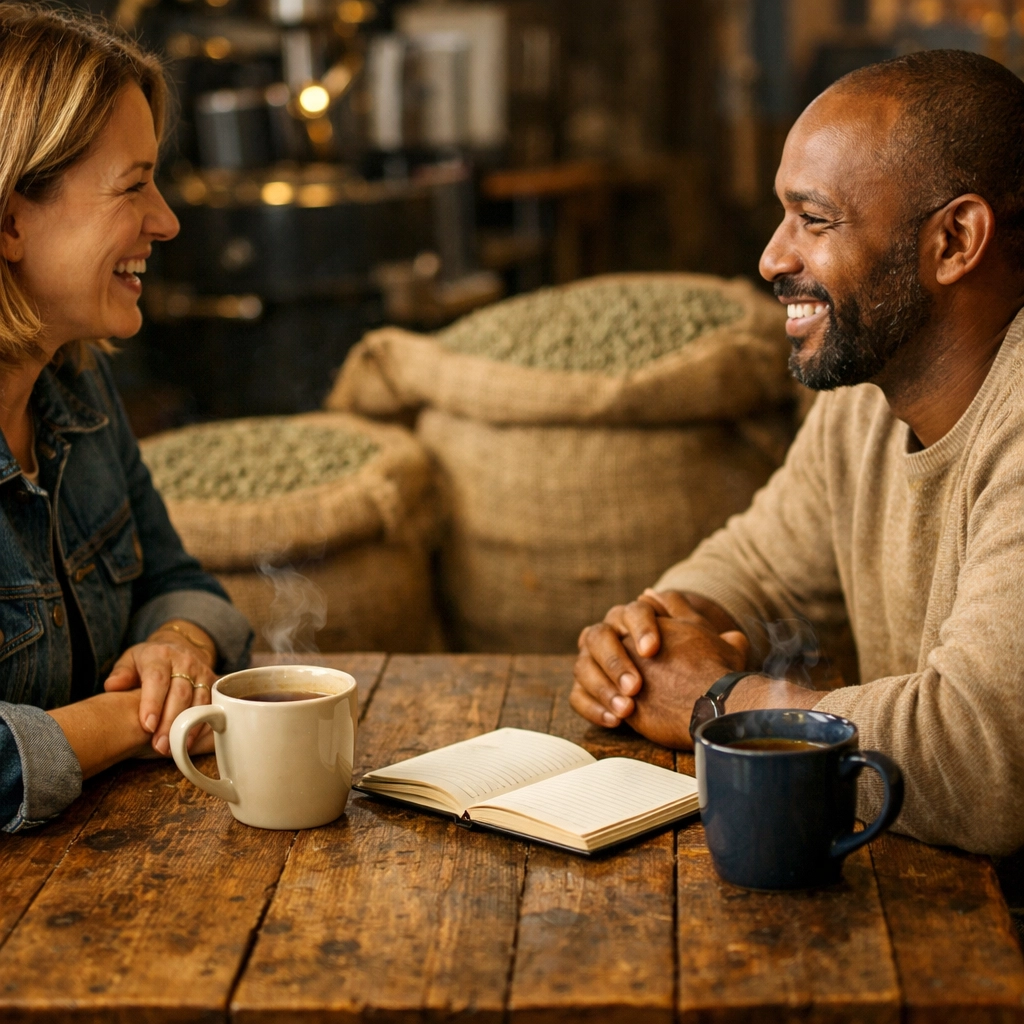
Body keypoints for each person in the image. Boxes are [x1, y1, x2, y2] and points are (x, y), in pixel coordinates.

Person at [571, 48, 1024, 857]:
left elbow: (981, 763)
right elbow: (755, 568)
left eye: (814, 223)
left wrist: (720, 703)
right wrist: (651, 640)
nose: (773, 259)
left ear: (955, 240)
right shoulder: (867, 399)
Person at [0, 5, 252, 833]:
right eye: (133, 184)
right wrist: (132, 720)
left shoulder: (79, 392)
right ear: (9, 220)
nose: (168, 220)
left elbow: (182, 580)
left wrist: (179, 644)